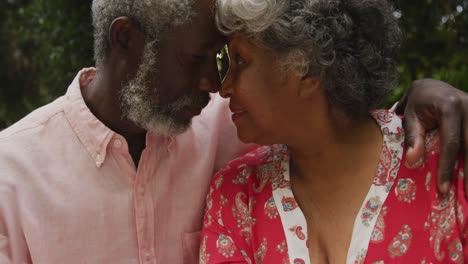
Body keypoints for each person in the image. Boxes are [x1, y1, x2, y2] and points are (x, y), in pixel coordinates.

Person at [0, 0, 466, 263]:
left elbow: (334, 120)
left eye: (229, 61)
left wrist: (426, 94)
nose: (216, 87)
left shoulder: (235, 125)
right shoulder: (11, 178)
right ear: (125, 40)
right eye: (197, 60)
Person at [200, 0, 468, 263]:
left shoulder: (446, 160)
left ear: (304, 68)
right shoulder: (236, 195)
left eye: (240, 60)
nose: (224, 88)